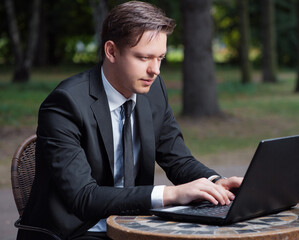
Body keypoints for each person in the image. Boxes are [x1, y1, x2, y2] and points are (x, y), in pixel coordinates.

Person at [17, 1, 243, 240]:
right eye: (145, 57)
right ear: (111, 51)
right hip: (74, 232)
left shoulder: (153, 91)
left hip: (133, 225)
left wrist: (217, 181)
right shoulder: (65, 103)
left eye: (160, 58)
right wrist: (170, 194)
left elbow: (178, 159)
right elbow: (83, 197)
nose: (155, 70)